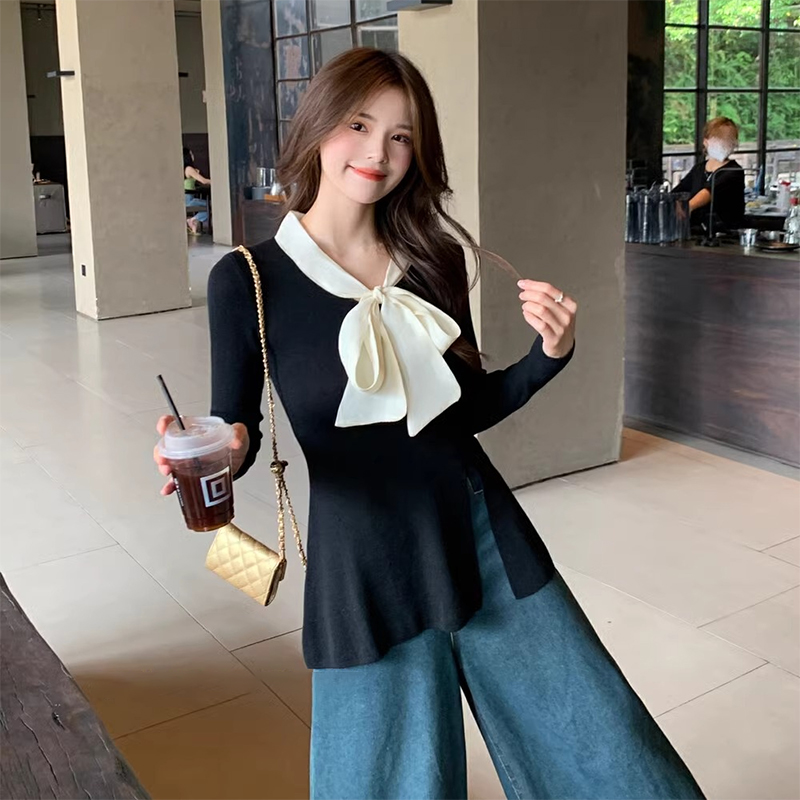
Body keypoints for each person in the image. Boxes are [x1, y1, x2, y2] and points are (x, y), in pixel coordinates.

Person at [154, 49, 705, 800]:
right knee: (390, 784)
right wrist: (217, 451)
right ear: (317, 125)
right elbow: (238, 425)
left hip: (481, 534)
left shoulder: (434, 259)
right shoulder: (249, 278)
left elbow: (465, 410)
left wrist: (549, 356)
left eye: (402, 136)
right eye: (359, 125)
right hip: (363, 564)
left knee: (604, 751)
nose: (378, 153)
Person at [674, 116, 745, 234]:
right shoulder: (699, 169)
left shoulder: (734, 171)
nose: (724, 142)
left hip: (725, 234)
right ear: (706, 141)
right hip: (696, 232)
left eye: (729, 138)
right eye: (719, 138)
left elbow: (709, 192)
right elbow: (679, 191)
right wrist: (675, 203)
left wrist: (688, 207)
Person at [183, 147, 210, 235]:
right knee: (210, 206)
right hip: (189, 200)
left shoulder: (184, 169)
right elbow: (203, 181)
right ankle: (192, 220)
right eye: (191, 154)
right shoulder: (189, 169)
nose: (193, 155)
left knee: (206, 206)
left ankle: (193, 225)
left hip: (185, 199)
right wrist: (215, 181)